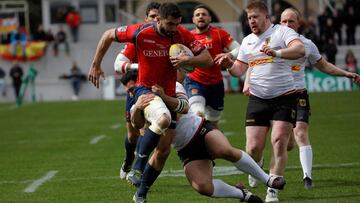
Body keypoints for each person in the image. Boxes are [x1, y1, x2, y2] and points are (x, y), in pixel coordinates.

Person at [87, 3, 213, 203]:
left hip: (168, 94)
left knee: (163, 150)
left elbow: (207, 59)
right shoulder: (139, 33)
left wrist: (187, 61)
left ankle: (141, 192)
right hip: (144, 89)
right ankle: (135, 165)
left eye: (177, 24)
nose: (174, 28)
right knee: (147, 126)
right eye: (170, 24)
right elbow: (109, 36)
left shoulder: (181, 35)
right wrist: (96, 64)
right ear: (157, 19)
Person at [131, 82, 287, 203]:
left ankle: (268, 179)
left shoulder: (173, 84)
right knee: (203, 187)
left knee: (225, 151)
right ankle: (242, 194)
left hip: (199, 129)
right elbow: (137, 124)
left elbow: (183, 109)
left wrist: (163, 98)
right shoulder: (141, 93)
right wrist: (138, 108)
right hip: (185, 148)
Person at [215, 1, 305, 202]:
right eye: (249, 18)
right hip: (258, 99)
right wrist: (229, 64)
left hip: (285, 97)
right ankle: (258, 164)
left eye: (255, 17)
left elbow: (299, 50)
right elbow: (239, 71)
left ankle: (272, 189)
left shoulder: (282, 32)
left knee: (279, 141)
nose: (252, 21)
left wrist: (277, 53)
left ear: (267, 17)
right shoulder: (247, 41)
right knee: (253, 149)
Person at [277, 8, 360, 190]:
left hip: (299, 94)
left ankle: (307, 177)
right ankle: (258, 163)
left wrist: (346, 73)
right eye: (284, 21)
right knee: (286, 142)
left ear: (299, 24)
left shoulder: (307, 45)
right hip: (277, 96)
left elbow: (324, 66)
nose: (287, 25)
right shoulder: (272, 40)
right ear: (279, 22)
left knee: (300, 133)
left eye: (291, 21)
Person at [114, 1, 161, 179]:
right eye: (152, 16)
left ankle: (138, 169)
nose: (156, 20)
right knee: (132, 135)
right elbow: (119, 67)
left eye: (159, 17)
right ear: (145, 18)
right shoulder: (138, 39)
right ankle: (128, 160)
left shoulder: (168, 39)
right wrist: (138, 68)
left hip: (159, 91)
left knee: (147, 130)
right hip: (136, 91)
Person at [184, 4, 241, 129]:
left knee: (213, 123)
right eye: (197, 15)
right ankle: (197, 146)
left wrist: (229, 55)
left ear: (210, 18)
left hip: (216, 84)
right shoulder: (187, 37)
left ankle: (215, 146)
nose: (201, 17)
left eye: (204, 14)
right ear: (193, 19)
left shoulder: (219, 34)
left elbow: (239, 48)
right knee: (197, 114)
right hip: (195, 82)